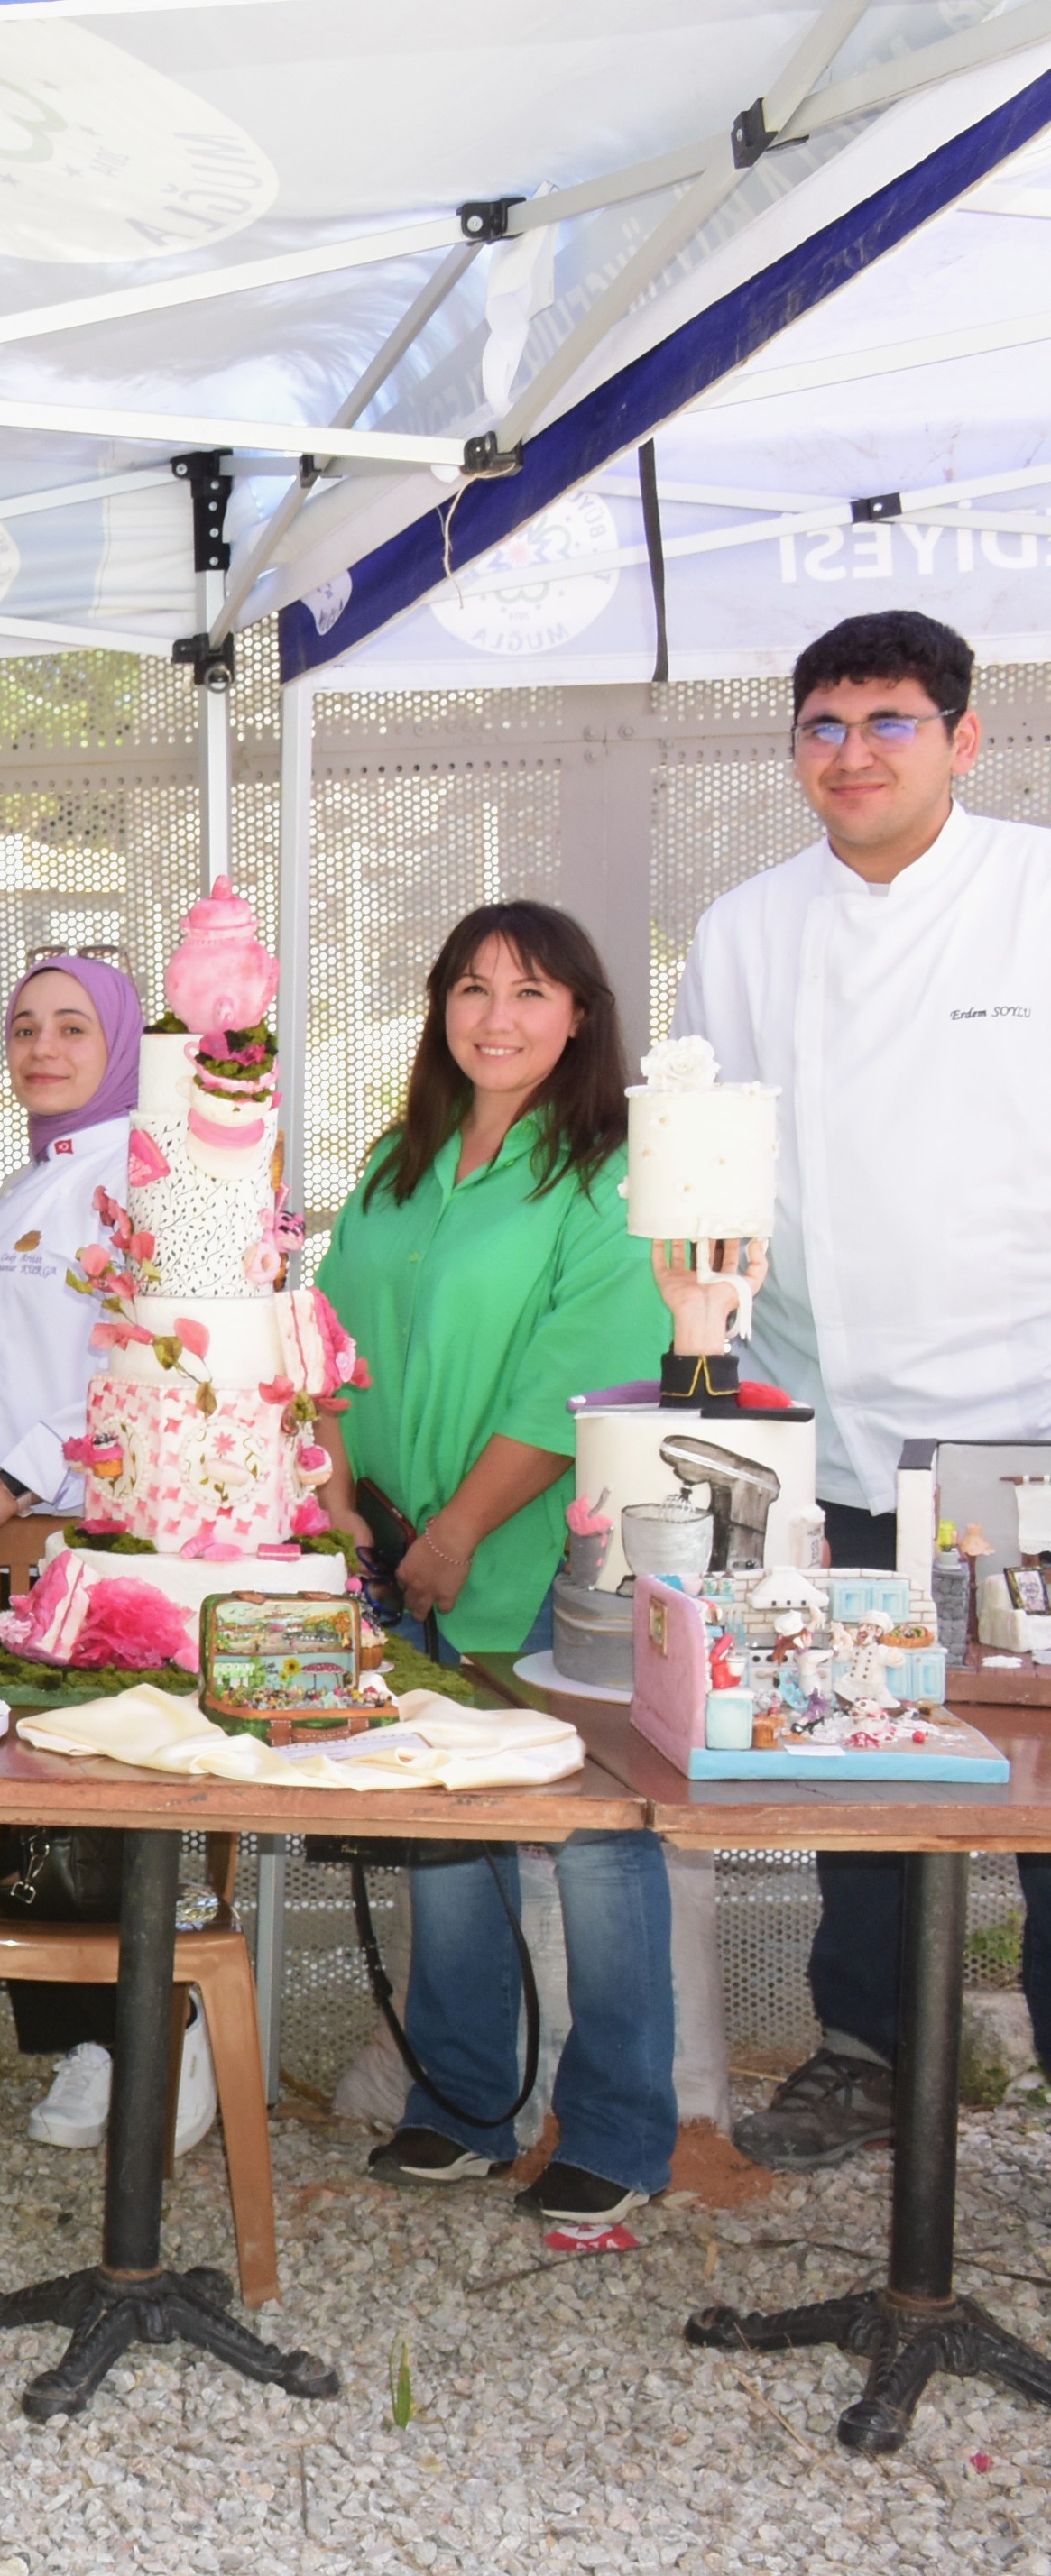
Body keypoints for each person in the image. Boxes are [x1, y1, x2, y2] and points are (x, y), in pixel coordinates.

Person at [681, 611, 1051, 2173]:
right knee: (863, 1747)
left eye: (889, 722)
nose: (853, 755)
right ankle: (865, 2051)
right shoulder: (746, 929)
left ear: (965, 740)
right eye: (823, 726)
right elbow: (712, 1176)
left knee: (1039, 1764)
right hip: (822, 1418)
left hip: (1026, 1422)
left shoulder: (1035, 893)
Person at [314, 901, 675, 2231]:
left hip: (545, 1564)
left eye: (530, 990)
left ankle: (625, 2132)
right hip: (394, 1553)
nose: (497, 1016)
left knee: (591, 1845)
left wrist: (462, 1529)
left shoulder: (607, 1171)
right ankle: (465, 2106)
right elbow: (330, 1347)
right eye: (471, 988)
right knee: (446, 1836)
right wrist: (343, 1503)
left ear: (580, 1011)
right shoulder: (394, 1165)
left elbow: (576, 1372)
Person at [0, 955, 204, 2151]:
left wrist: (7, 1479)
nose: (42, 1050)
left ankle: (142, 2033)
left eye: (70, 1030)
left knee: (86, 1795)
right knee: (18, 1804)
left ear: (120, 1050)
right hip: (1, 1545)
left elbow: (147, 1364)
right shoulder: (25, 1182)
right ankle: (83, 2037)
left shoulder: (142, 1183)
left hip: (80, 1532)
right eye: (23, 1027)